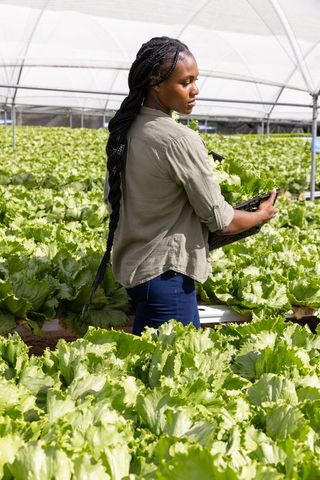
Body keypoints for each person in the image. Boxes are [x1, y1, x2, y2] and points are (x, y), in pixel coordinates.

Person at [103, 36, 277, 336]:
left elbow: (115, 200)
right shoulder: (179, 140)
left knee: (149, 372)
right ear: (156, 83)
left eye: (196, 80)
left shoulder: (127, 130)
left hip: (137, 276)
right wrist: (260, 215)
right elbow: (220, 221)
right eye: (186, 82)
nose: (195, 90)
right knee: (179, 377)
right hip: (168, 280)